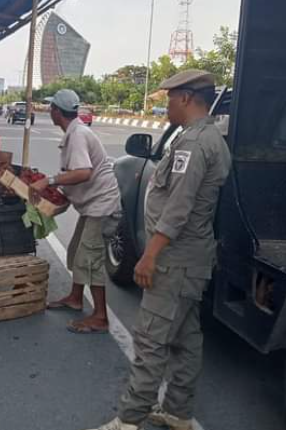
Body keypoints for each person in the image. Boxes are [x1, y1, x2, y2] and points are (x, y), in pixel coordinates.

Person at [87, 70, 231, 430]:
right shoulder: (198, 137)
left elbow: (178, 208)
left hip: (174, 261)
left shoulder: (197, 144)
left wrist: (149, 255)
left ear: (186, 98)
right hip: (188, 260)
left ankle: (129, 419)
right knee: (185, 338)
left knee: (150, 340)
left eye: (169, 98)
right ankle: (178, 412)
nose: (165, 105)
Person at [30, 89, 121, 334]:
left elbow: (83, 173)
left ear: (57, 112)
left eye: (51, 108)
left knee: (89, 259)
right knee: (76, 252)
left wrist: (47, 181)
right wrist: (56, 196)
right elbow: (75, 178)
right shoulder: (73, 133)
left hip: (101, 206)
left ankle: (101, 317)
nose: (49, 111)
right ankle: (75, 297)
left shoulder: (79, 135)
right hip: (92, 205)